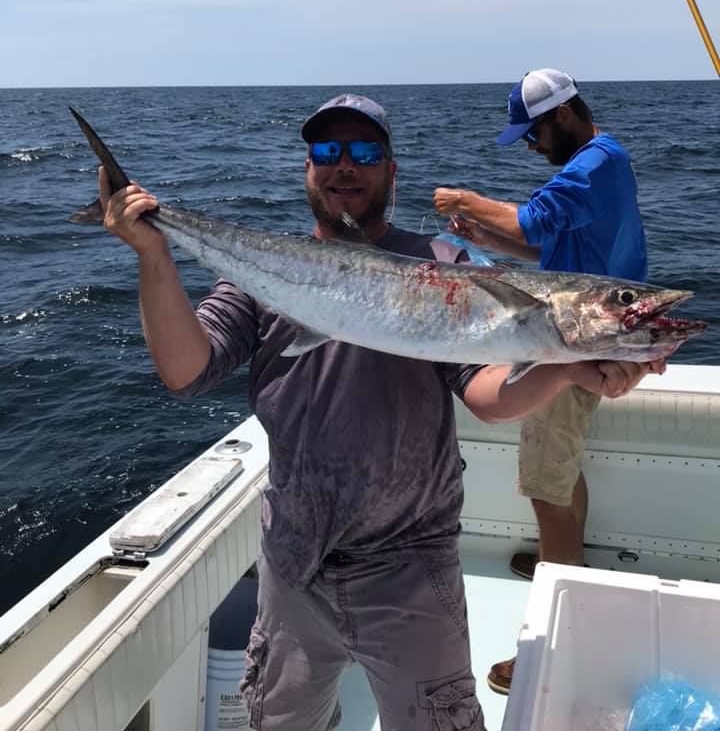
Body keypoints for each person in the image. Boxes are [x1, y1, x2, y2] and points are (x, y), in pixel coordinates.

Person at [99, 92, 654, 730]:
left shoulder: (446, 264)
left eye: (365, 153)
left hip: (411, 566)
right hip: (293, 561)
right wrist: (152, 253)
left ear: (392, 171)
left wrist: (574, 366)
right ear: (307, 169)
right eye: (327, 152)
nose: (345, 167)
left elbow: (489, 395)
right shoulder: (267, 270)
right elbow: (185, 369)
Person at [433, 68, 649, 696]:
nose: (532, 147)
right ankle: (568, 565)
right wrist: (484, 236)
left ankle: (552, 637)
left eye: (533, 135)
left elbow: (531, 222)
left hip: (576, 343)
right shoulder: (603, 161)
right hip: (577, 330)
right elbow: (549, 247)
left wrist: (464, 202)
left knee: (546, 487)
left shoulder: (593, 164)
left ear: (563, 115)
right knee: (559, 473)